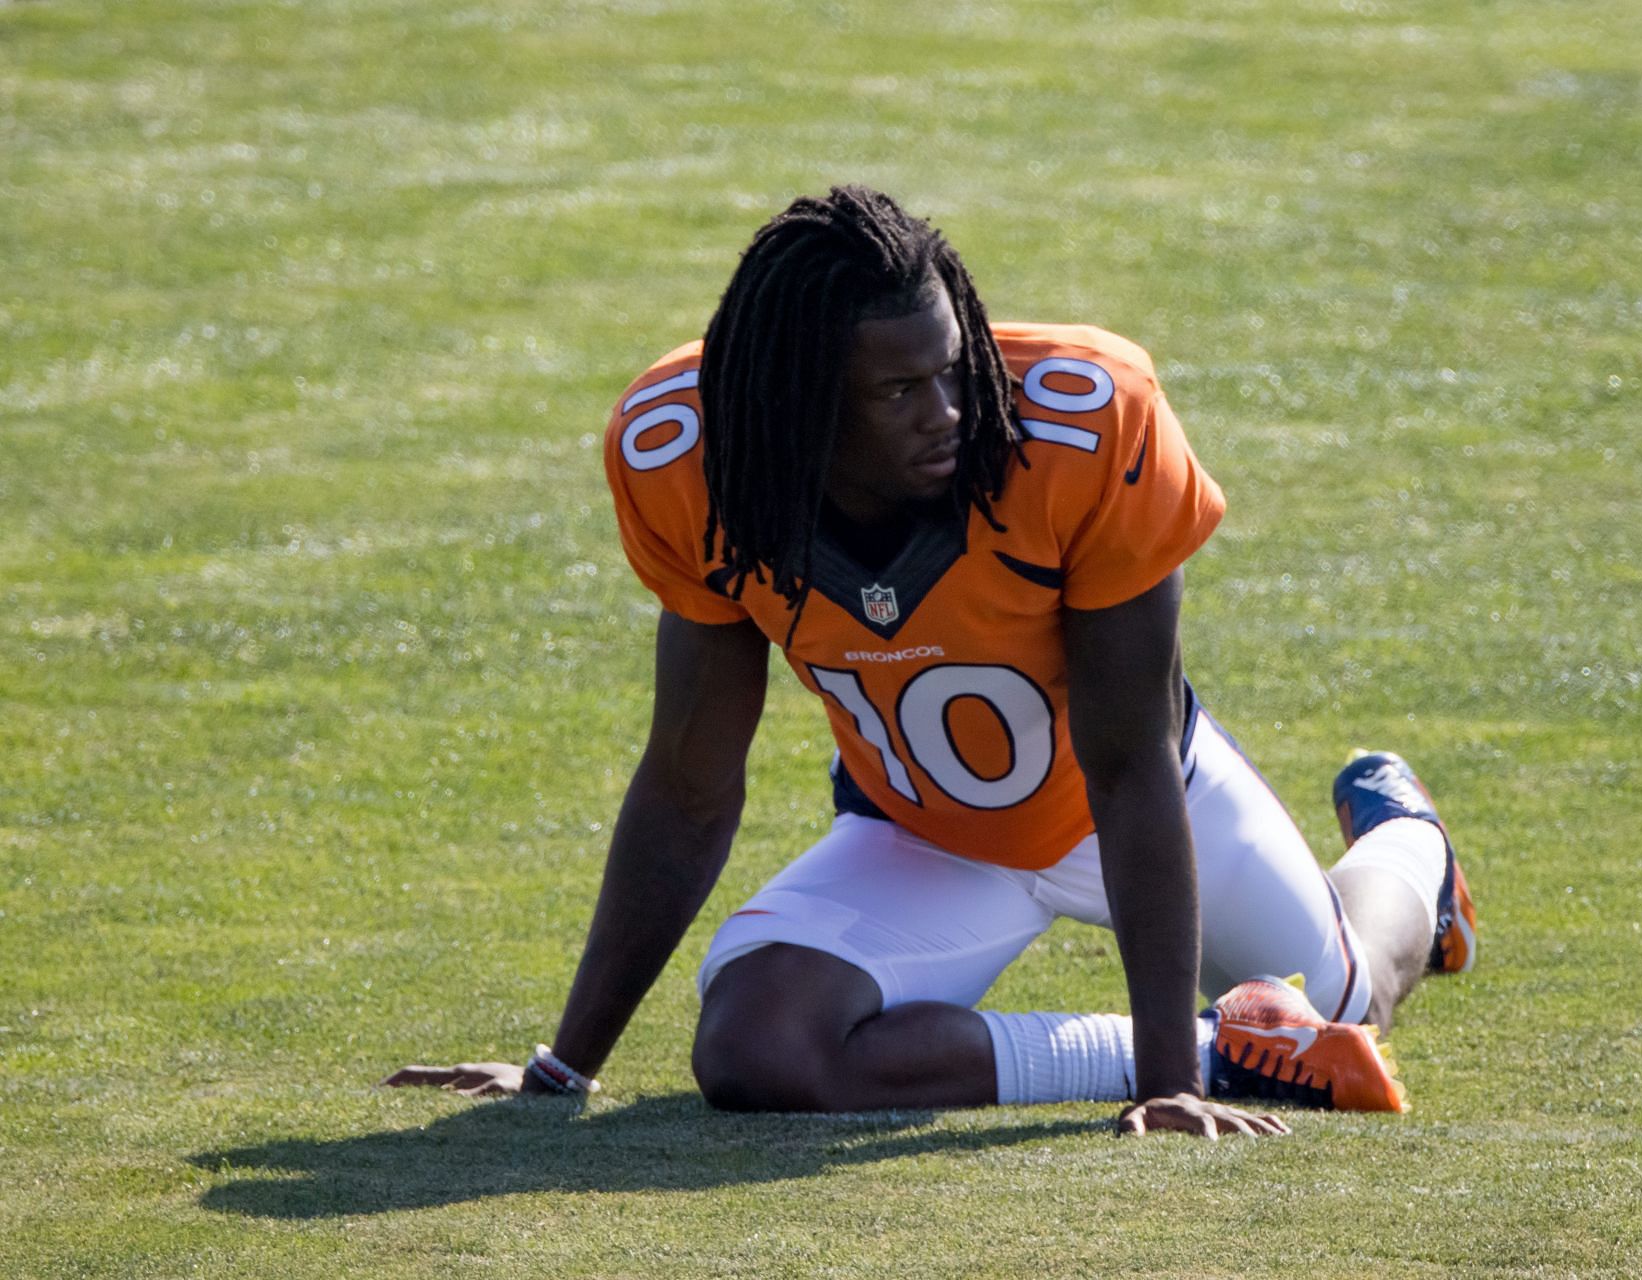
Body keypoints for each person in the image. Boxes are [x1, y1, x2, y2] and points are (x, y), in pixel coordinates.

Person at [386, 186, 1477, 1139]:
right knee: (756, 1047)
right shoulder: (695, 459)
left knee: (1349, 1006)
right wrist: (563, 1066)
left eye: (953, 371)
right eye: (898, 391)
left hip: (1135, 803)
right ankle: (1233, 1043)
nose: (949, 411)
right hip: (922, 826)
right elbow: (691, 777)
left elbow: (1130, 759)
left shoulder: (1085, 425)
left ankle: (1409, 845)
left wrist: (1165, 1086)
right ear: (802, 402)